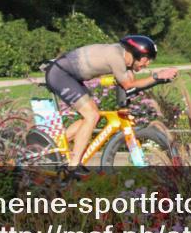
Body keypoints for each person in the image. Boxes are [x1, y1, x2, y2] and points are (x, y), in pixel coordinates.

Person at [44, 35, 179, 172]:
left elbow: (132, 87)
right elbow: (128, 85)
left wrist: (160, 80)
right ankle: (74, 165)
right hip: (60, 74)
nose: (147, 64)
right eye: (146, 59)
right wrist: (157, 76)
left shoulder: (126, 62)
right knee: (92, 115)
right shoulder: (116, 58)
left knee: (92, 118)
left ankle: (51, 146)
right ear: (136, 54)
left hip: (69, 75)